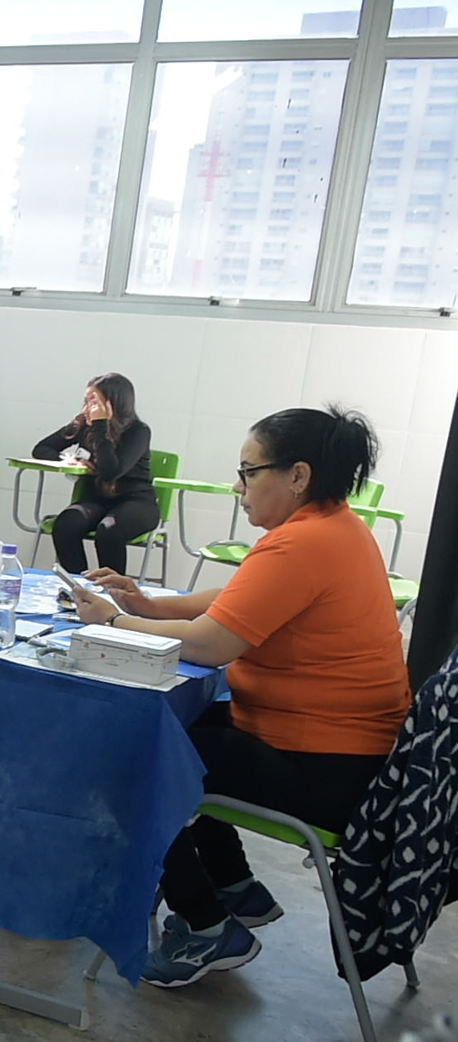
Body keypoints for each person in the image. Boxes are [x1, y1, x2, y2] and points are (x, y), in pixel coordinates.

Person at [67, 406, 411, 988]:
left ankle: (205, 925)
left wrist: (115, 622)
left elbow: (210, 645)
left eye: (248, 472)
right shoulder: (333, 526)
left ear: (297, 475)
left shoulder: (303, 543)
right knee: (177, 733)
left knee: (128, 757)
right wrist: (147, 604)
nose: (237, 487)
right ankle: (233, 886)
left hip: (322, 767)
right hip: (348, 755)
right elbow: (237, 599)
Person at [33, 373, 158, 575]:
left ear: (113, 404)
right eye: (86, 402)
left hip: (136, 502)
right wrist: (67, 460)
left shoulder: (138, 431)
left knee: (109, 530)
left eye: (94, 403)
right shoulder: (83, 424)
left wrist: (101, 425)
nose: (87, 409)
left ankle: (113, 588)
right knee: (66, 524)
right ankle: (78, 584)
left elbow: (111, 472)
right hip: (96, 500)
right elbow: (41, 448)